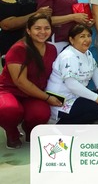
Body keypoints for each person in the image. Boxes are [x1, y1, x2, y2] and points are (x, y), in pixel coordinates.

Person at [0, 14, 61, 149]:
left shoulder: (52, 49)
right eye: (37, 28)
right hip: (10, 91)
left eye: (46, 28)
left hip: (33, 93)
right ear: (28, 30)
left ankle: (30, 132)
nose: (42, 32)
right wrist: (47, 97)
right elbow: (20, 82)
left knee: (41, 113)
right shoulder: (18, 49)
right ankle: (12, 133)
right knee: (7, 110)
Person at [45, 24, 98, 124]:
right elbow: (71, 84)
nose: (87, 39)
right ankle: (63, 125)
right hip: (62, 99)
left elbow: (94, 67)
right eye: (82, 36)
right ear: (71, 40)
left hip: (76, 95)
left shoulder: (87, 52)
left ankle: (80, 124)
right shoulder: (68, 56)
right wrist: (96, 98)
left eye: (88, 36)